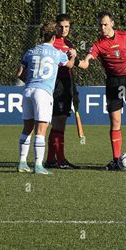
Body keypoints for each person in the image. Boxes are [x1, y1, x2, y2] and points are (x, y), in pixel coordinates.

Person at [78, 11, 126, 170]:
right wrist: (74, 62)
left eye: (106, 24)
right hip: (113, 84)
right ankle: (115, 159)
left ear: (112, 23)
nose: (103, 27)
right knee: (115, 122)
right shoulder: (98, 45)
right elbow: (86, 63)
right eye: (100, 25)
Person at [17, 21, 76, 175]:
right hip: (43, 93)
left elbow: (19, 74)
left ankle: (22, 162)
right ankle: (38, 165)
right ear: (54, 37)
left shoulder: (30, 51)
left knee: (27, 129)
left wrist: (31, 81)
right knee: (41, 131)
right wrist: (73, 56)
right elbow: (69, 65)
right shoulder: (57, 53)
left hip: (28, 91)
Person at [44, 13, 80, 169]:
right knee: (59, 122)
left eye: (67, 27)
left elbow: (76, 65)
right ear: (56, 27)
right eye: (61, 26)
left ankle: (51, 159)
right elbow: (66, 65)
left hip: (66, 84)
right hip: (57, 84)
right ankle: (60, 160)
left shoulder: (68, 42)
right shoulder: (53, 43)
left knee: (58, 123)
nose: (64, 29)